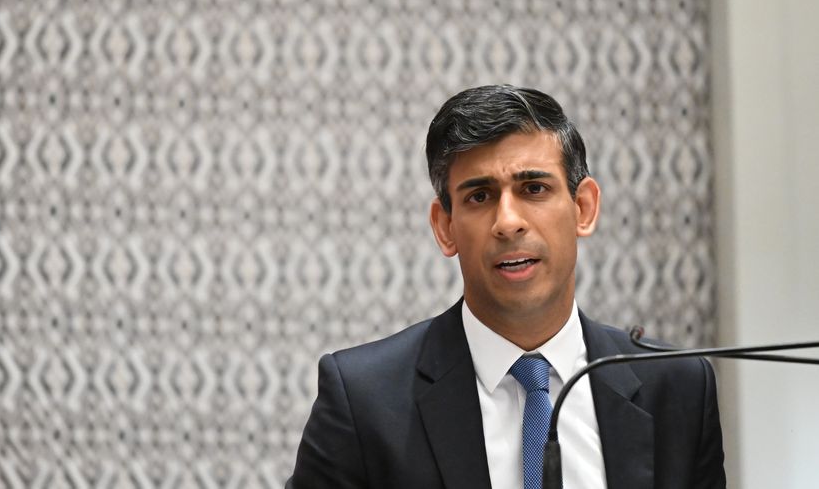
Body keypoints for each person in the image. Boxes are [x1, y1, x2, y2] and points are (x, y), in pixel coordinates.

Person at [286, 85, 725, 489]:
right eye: (479, 196)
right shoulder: (364, 399)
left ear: (584, 209)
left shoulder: (678, 387)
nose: (508, 222)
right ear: (445, 227)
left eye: (534, 188)